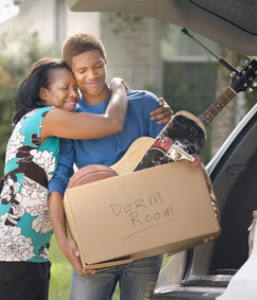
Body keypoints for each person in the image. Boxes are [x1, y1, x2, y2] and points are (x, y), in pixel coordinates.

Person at [0, 57, 132, 300]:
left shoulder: (58, 129)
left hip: (25, 252)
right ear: (44, 93)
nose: (74, 94)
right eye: (65, 88)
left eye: (75, 88)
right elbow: (112, 122)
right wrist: (118, 85)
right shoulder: (46, 117)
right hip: (6, 251)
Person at [47, 32, 173, 300]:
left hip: (146, 233)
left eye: (97, 66)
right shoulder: (70, 118)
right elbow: (59, 177)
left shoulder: (146, 103)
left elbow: (170, 160)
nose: (91, 75)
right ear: (71, 72)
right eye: (81, 70)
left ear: (106, 61)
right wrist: (63, 239)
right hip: (96, 234)